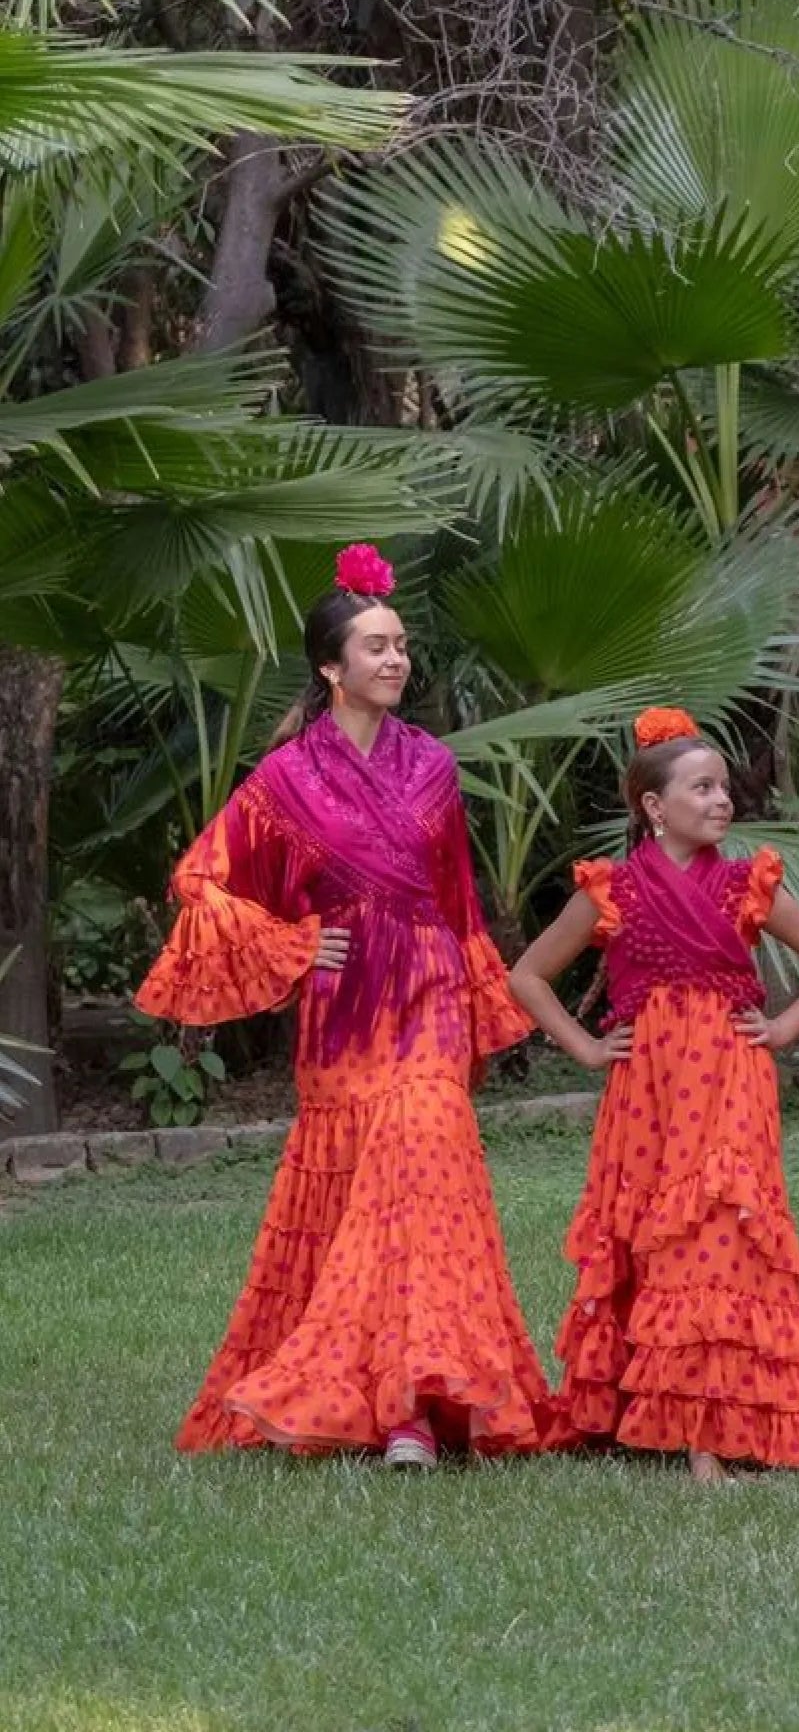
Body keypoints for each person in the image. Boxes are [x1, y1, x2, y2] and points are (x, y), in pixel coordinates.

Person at [137, 543, 563, 1468]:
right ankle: (368, 1397)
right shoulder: (285, 779)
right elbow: (199, 879)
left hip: (431, 990)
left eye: (401, 644)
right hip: (345, 1011)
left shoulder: (434, 765)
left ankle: (415, 1409)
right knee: (366, 1195)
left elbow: (457, 901)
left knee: (425, 1167)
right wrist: (290, 945)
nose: (396, 659)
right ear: (331, 667)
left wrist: (478, 1000)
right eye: (376, 646)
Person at [508, 707, 799, 1482]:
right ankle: (640, 1407)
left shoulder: (746, 883)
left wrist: (784, 1026)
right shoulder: (612, 889)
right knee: (648, 1234)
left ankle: (711, 1431)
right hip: (649, 1088)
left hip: (731, 1077)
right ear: (654, 806)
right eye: (702, 788)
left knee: (718, 1233)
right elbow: (527, 976)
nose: (721, 800)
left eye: (723, 787)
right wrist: (587, 1047)